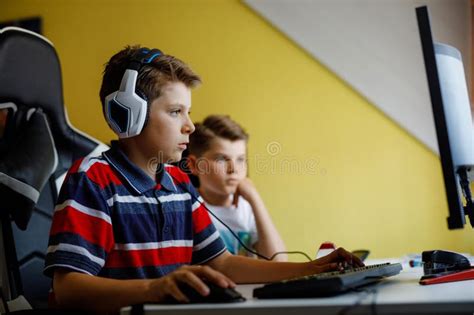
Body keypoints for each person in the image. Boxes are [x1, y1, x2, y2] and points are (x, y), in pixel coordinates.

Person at [43, 45, 363, 312]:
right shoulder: (94, 179)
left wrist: (311, 270)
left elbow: (222, 264)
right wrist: (154, 289)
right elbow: (68, 288)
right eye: (175, 112)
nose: (189, 126)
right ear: (127, 113)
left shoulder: (179, 183)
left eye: (188, 112)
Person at [187, 115, 287, 261]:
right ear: (195, 165)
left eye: (240, 159)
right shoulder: (185, 208)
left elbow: (278, 262)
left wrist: (255, 199)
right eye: (221, 159)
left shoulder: (247, 208)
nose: (233, 169)